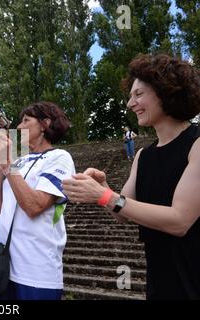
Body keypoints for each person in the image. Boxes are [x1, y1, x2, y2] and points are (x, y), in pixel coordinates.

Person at [62, 53, 200, 300]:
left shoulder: (197, 145)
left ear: (166, 92)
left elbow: (180, 221)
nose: (130, 103)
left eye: (138, 94)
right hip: (159, 281)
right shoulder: (143, 156)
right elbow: (121, 214)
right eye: (130, 96)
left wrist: (105, 195)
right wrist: (102, 189)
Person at [0, 101, 75, 300]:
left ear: (45, 124)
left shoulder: (60, 157)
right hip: (3, 268)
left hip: (36, 272)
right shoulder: (19, 161)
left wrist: (8, 165)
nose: (19, 127)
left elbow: (34, 206)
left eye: (26, 120)